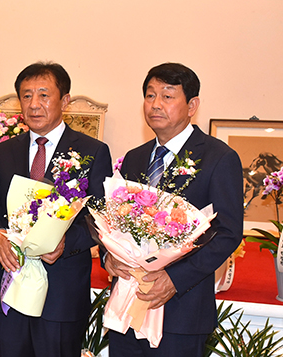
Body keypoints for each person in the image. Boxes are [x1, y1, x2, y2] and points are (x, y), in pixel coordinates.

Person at [106, 63, 244, 356]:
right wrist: (111, 257)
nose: (155, 104)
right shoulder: (135, 158)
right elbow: (118, 224)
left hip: (182, 311)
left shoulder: (219, 158)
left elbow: (228, 233)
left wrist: (174, 279)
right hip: (129, 306)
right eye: (150, 95)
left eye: (167, 96)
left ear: (192, 105)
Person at [0, 62, 112, 357]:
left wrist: (66, 243)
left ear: (64, 101)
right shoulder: (4, 151)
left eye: (43, 95)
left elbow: (100, 218)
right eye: (26, 96)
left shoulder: (92, 151)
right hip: (10, 288)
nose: (34, 104)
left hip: (61, 292)